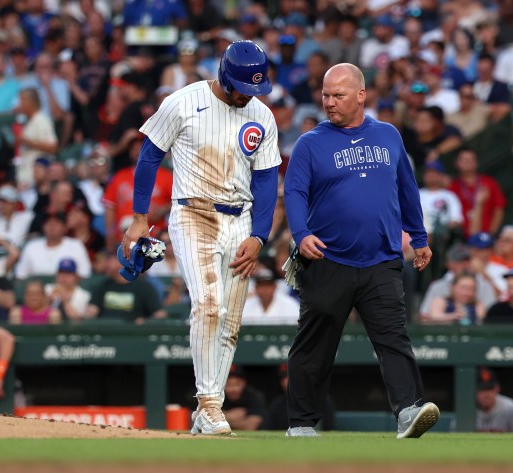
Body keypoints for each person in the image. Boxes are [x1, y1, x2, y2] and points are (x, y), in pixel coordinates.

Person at [122, 40, 281, 436]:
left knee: (229, 323)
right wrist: (139, 218)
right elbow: (149, 156)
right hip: (193, 212)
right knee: (208, 306)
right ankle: (209, 406)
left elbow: (265, 181)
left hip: (241, 219)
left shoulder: (261, 113)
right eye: (247, 87)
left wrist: (260, 236)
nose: (252, 95)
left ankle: (208, 413)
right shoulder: (183, 101)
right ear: (227, 78)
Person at [283, 63, 439, 438]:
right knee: (315, 345)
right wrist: (300, 233)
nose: (329, 102)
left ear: (360, 95)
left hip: (382, 258)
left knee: (393, 338)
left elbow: (407, 189)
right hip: (326, 258)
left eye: (338, 95)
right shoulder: (310, 142)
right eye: (325, 95)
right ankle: (301, 424)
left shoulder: (389, 135)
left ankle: (408, 411)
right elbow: (294, 192)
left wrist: (418, 238)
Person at [262, 363, 335, 431]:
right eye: (284, 378)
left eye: (292, 377)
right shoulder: (277, 404)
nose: (287, 381)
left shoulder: (323, 400)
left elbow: (329, 428)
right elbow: (269, 429)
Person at [475, 367, 513, 433]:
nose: (487, 394)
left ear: (497, 388)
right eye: (482, 390)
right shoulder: (467, 408)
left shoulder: (509, 407)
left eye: (490, 389)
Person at [222, 364, 266, 431]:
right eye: (228, 384)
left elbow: (252, 424)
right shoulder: (215, 397)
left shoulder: (254, 396)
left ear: (243, 383)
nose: (232, 389)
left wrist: (224, 419)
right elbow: (206, 423)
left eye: (236, 384)